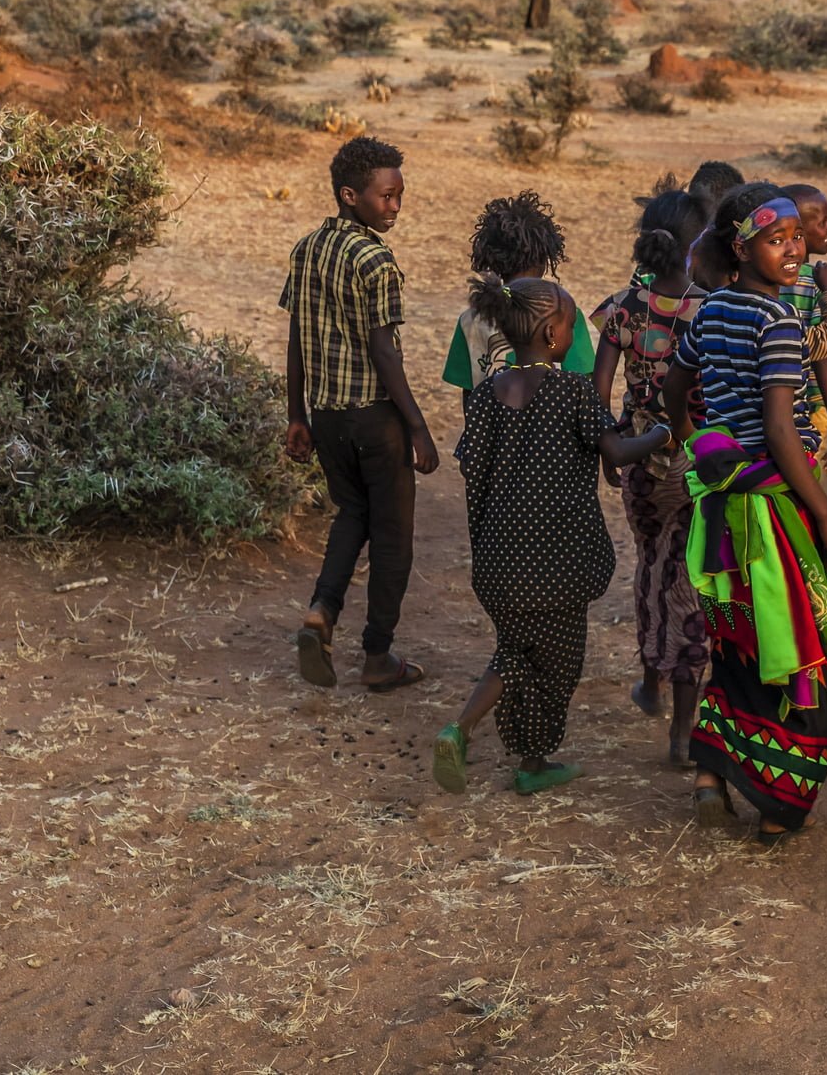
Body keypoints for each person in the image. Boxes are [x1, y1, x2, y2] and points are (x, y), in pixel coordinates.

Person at [663, 182, 827, 843]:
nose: (793, 251)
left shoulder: (712, 309)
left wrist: (696, 442)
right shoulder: (776, 322)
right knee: (802, 644)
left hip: (724, 507)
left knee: (740, 637)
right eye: (776, 241)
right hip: (775, 509)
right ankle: (778, 805)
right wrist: (826, 517)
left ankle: (712, 772)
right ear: (741, 249)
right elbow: (780, 430)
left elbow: (674, 383)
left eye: (796, 237)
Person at [435, 274, 670, 796]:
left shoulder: (486, 397)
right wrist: (659, 434)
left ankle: (482, 738)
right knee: (557, 662)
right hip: (558, 562)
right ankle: (518, 753)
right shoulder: (570, 391)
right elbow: (614, 452)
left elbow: (472, 469)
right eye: (568, 323)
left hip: (500, 560)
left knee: (516, 650)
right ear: (549, 335)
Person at [281, 135, 440, 692]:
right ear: (351, 196)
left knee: (352, 514)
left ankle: (321, 611)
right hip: (376, 420)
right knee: (394, 536)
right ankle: (377, 656)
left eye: (399, 196)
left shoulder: (307, 248)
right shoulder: (376, 261)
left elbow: (298, 337)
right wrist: (417, 427)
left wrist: (296, 413)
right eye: (386, 197)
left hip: (326, 417)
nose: (395, 207)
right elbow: (384, 351)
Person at [592, 189, 711, 766]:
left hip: (637, 459)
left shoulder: (623, 307)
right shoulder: (710, 309)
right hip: (696, 464)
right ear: (698, 245)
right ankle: (684, 733)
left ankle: (649, 682)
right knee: (687, 581)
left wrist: (605, 454)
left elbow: (599, 391)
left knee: (650, 568)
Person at [444, 190, 595, 392]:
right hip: (552, 422)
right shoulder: (563, 311)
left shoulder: (471, 319)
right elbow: (585, 385)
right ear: (544, 259)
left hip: (491, 422)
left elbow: (470, 394)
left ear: (491, 258)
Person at [779, 184, 827, 502]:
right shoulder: (820, 282)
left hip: (775, 411)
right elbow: (824, 354)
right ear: (797, 232)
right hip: (815, 409)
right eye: (822, 221)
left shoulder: (760, 277)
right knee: (822, 501)